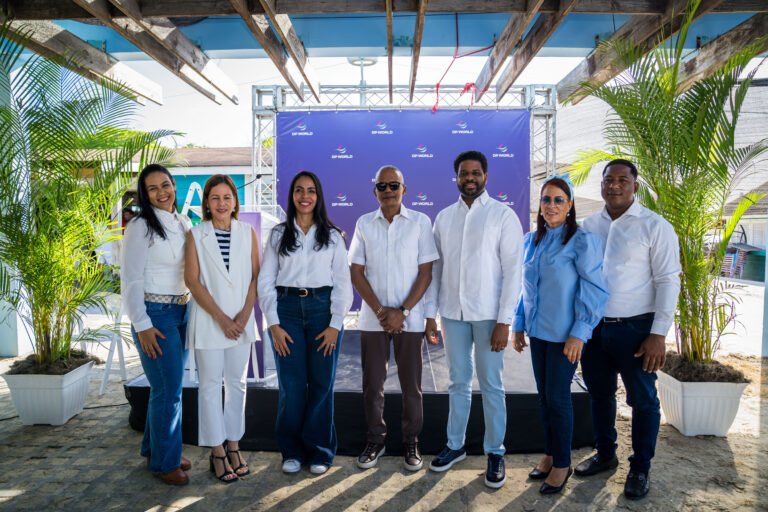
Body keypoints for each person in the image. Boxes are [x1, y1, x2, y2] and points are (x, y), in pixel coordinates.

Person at [576, 159, 681, 500]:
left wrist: (658, 334)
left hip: (637, 330)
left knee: (643, 400)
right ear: (601, 185)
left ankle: (640, 468)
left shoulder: (655, 226)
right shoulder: (588, 226)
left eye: (623, 180)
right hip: (593, 328)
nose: (615, 185)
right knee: (600, 394)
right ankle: (605, 454)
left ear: (635, 186)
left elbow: (668, 280)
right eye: (609, 179)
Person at [424, 150, 524, 488]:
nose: (470, 178)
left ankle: (495, 451)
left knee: (492, 384)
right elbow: (436, 271)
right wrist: (431, 314)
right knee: (458, 382)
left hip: (489, 318)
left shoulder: (502, 215)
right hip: (452, 314)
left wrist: (505, 321)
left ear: (485, 176)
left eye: (476, 172)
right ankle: (455, 445)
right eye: (464, 173)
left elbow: (513, 272)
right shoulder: (443, 218)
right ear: (456, 177)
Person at [512, 175, 609, 494]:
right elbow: (526, 288)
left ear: (569, 205)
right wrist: (518, 323)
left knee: (557, 398)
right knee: (544, 398)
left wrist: (580, 333)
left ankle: (563, 464)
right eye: (546, 199)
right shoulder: (531, 240)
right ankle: (551, 453)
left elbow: (594, 289)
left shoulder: (582, 240)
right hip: (538, 333)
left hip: (566, 337)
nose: (551, 205)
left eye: (558, 200)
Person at [257, 170, 353, 475]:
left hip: (322, 311)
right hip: (286, 311)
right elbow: (265, 280)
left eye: (311, 190)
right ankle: (292, 451)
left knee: (322, 384)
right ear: (292, 195)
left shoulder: (333, 236)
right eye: (299, 190)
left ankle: (320, 451)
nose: (305, 196)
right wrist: (273, 324)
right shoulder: (278, 234)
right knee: (292, 385)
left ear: (318, 196)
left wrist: (335, 324)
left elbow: (343, 282)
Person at [349, 165, 439, 472]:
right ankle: (376, 440)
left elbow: (426, 273)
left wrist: (403, 312)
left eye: (394, 185)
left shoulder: (420, 222)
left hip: (409, 320)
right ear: (374, 191)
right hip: (372, 319)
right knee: (372, 385)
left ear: (404, 189)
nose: (388, 191)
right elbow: (356, 272)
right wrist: (381, 312)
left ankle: (411, 441)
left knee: (411, 386)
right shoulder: (364, 223)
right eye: (382, 186)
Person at [185, 175, 260, 483]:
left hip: (242, 322)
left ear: (235, 201)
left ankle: (234, 446)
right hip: (209, 322)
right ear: (206, 203)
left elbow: (256, 276)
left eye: (227, 197)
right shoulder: (196, 234)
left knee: (237, 385)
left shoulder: (248, 232)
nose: (221, 203)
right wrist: (222, 319)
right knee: (210, 386)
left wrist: (243, 316)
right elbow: (192, 281)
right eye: (215, 197)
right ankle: (217, 452)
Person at [122, 164, 193, 486]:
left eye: (165, 185)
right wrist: (142, 324)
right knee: (168, 391)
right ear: (145, 194)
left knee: (166, 388)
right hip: (156, 314)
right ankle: (165, 463)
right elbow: (131, 278)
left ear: (174, 186)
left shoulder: (183, 221)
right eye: (153, 188)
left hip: (182, 310)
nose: (161, 192)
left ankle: (156, 449)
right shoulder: (139, 226)